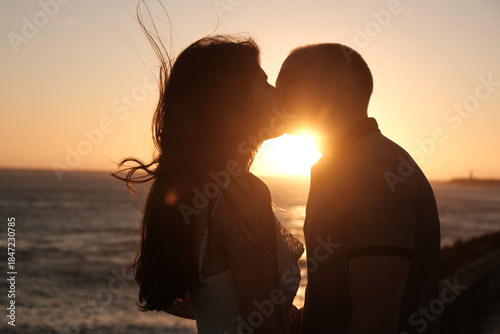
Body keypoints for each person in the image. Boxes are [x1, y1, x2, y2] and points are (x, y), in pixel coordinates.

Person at [113, 34, 304, 334]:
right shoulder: (242, 192)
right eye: (265, 82)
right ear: (234, 101)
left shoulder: (199, 190)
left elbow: (183, 296)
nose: (279, 93)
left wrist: (274, 310)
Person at [276, 43, 441, 334]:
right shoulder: (345, 163)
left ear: (340, 80)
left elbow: (374, 321)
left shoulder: (373, 168)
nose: (278, 94)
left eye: (289, 80)